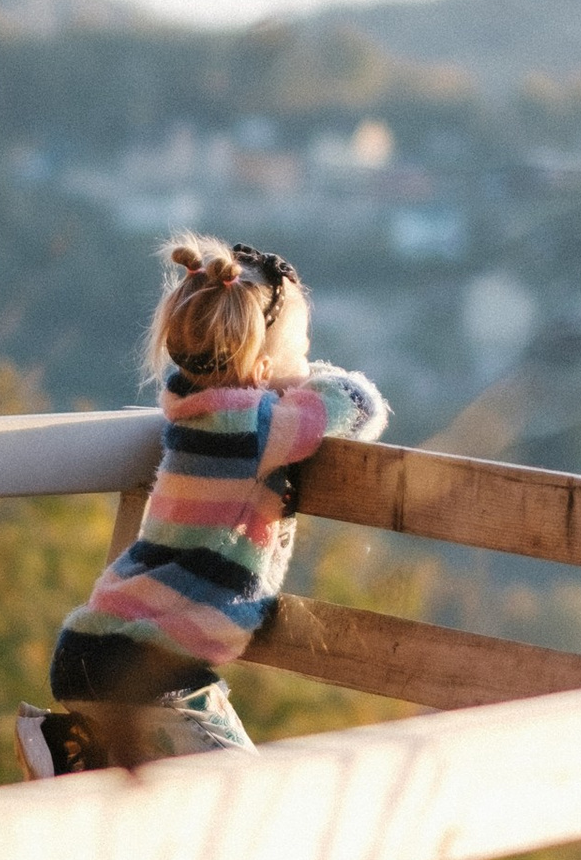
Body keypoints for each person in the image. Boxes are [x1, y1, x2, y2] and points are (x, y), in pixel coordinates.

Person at [21, 237, 388, 776]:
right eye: (303, 351)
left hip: (100, 645)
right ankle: (80, 754)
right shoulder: (258, 430)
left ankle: (75, 750)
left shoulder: (193, 412)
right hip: (149, 668)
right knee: (242, 795)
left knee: (163, 793)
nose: (308, 365)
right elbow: (360, 405)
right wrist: (306, 381)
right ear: (261, 371)